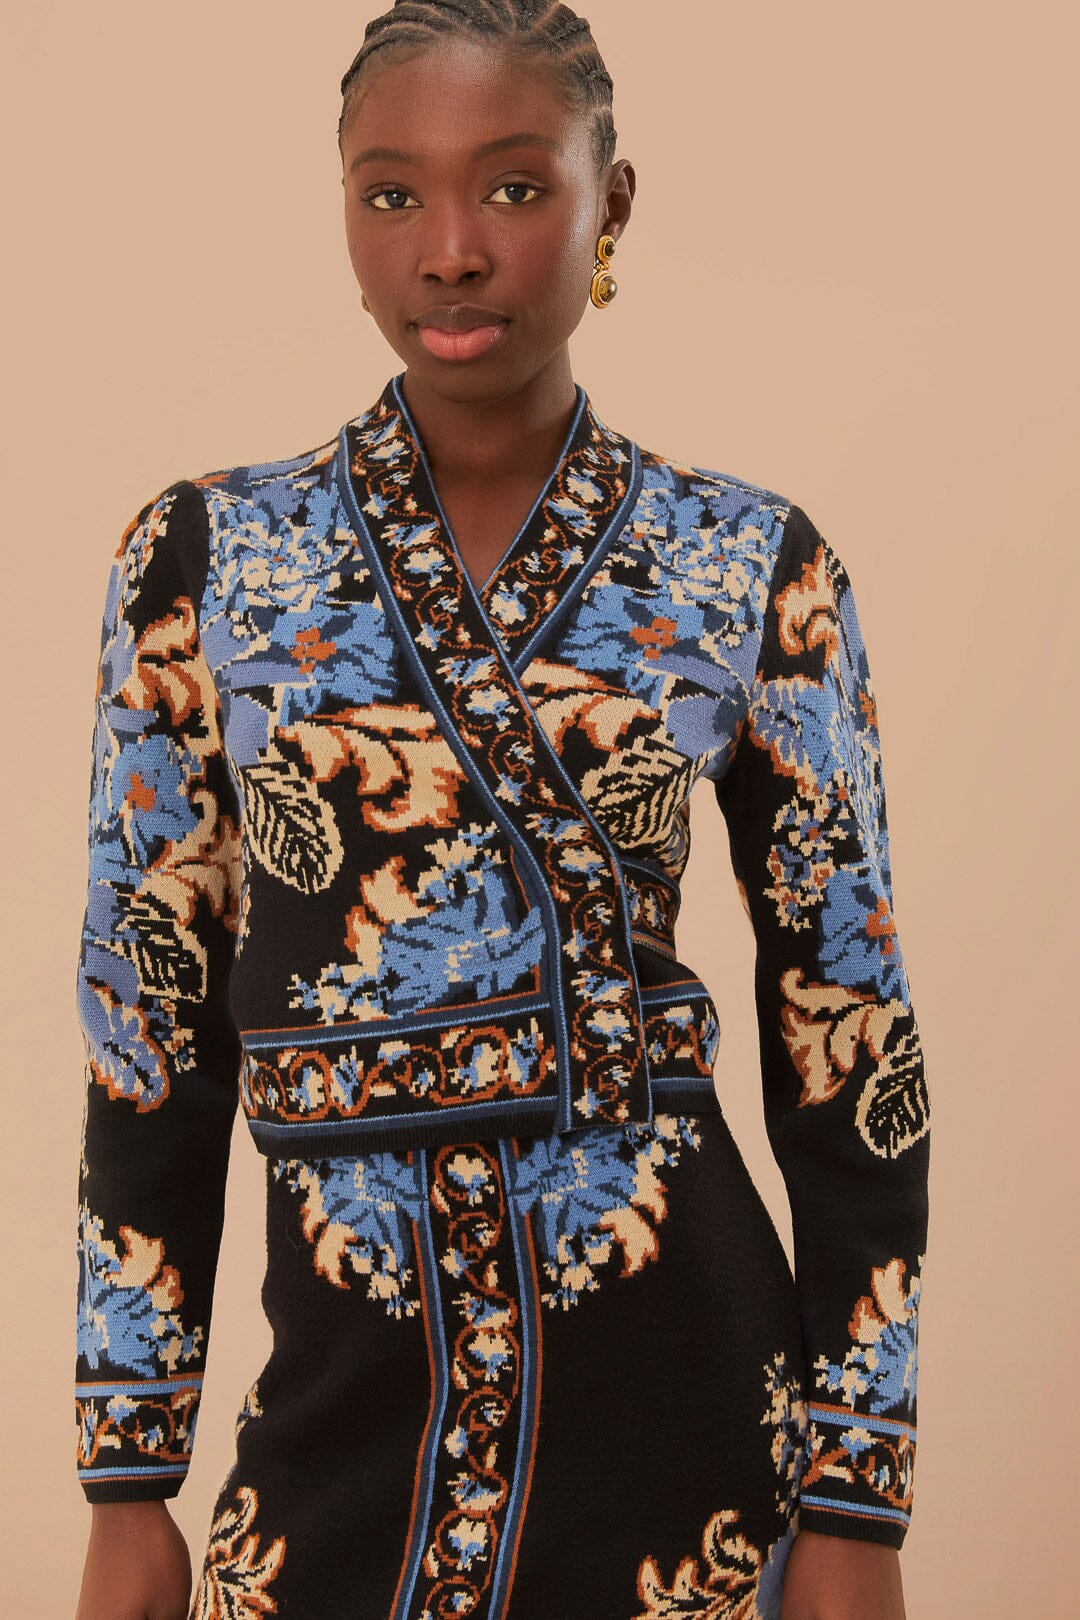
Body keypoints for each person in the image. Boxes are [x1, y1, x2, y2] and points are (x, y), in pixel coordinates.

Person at [73, 4, 930, 1617]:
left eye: (517, 187)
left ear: (615, 203)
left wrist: (858, 1499)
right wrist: (128, 1481)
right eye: (392, 193)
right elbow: (147, 1029)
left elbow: (851, 1036)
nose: (452, 249)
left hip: (686, 1425)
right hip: (335, 1422)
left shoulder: (752, 564)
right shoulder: (204, 561)